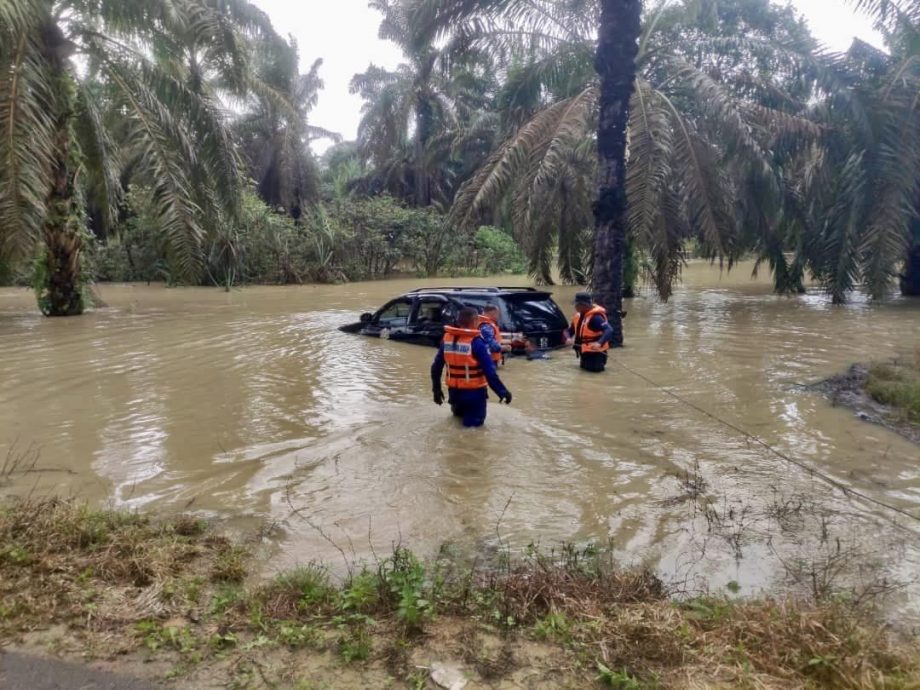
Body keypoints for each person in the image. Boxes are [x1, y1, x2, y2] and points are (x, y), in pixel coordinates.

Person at [431, 307, 512, 427]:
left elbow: (435, 368)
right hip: (474, 395)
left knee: (457, 426)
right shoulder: (477, 342)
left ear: (459, 321)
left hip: (454, 394)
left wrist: (436, 390)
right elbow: (490, 372)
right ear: (475, 321)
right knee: (473, 431)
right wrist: (503, 392)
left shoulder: (447, 340)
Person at [566, 292, 614, 372]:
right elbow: (570, 331)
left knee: (594, 376)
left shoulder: (596, 318)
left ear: (583, 305)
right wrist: (568, 338)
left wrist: (599, 343)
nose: (575, 307)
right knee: (584, 376)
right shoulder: (578, 316)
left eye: (576, 305)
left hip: (596, 354)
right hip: (584, 352)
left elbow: (609, 330)